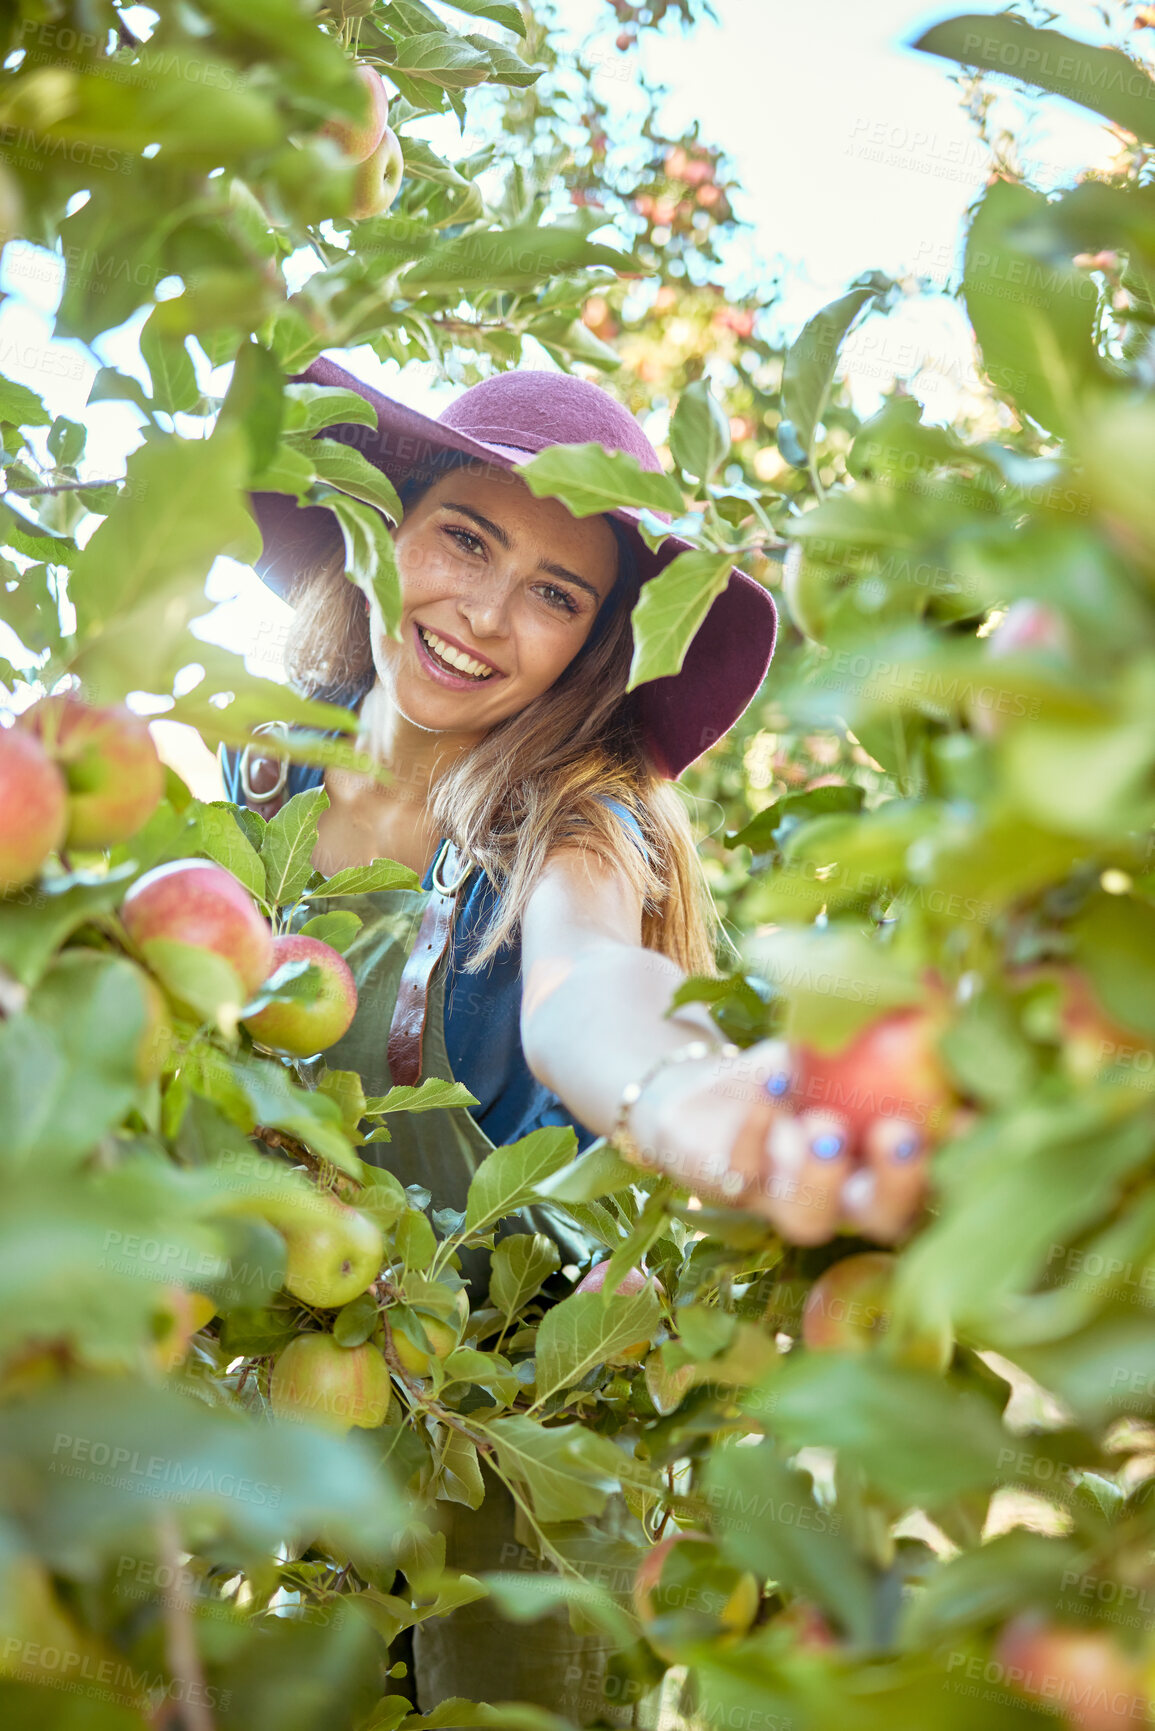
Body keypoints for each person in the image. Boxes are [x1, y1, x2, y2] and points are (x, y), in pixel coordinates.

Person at [223, 357, 932, 1723]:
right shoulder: (263, 768)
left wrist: (686, 1092)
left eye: (555, 594)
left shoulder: (569, 822)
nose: (484, 616)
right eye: (466, 540)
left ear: (599, 644)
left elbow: (584, 989)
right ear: (389, 526)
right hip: (322, 1360)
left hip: (524, 1413)